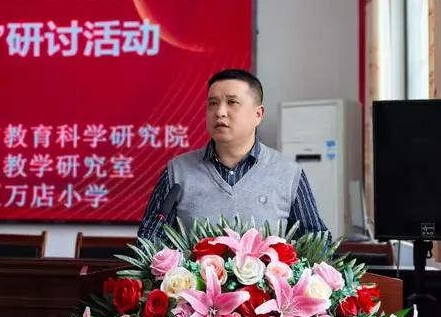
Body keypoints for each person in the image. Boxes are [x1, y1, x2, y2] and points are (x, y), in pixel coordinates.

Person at [137, 69, 328, 242]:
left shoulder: (288, 173)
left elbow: (317, 244)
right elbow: (149, 240)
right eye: (213, 103)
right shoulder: (177, 171)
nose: (220, 112)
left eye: (232, 102)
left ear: (258, 114)